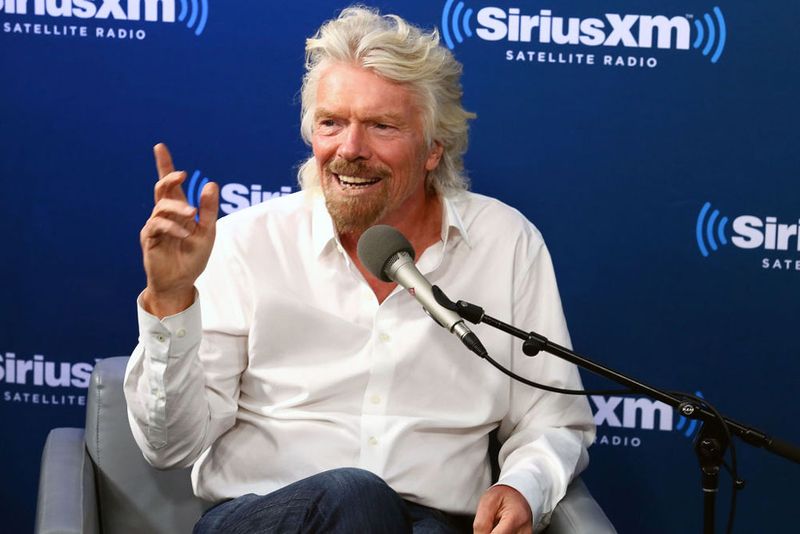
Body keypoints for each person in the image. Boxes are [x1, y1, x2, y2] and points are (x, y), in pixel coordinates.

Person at [124, 6, 595, 533]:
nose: (349, 149)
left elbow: (552, 419)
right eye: (332, 123)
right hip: (267, 516)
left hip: (430, 522)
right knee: (356, 495)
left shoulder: (505, 243)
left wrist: (524, 484)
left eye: (381, 126)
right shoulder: (246, 243)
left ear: (433, 149)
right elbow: (169, 448)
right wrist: (170, 299)